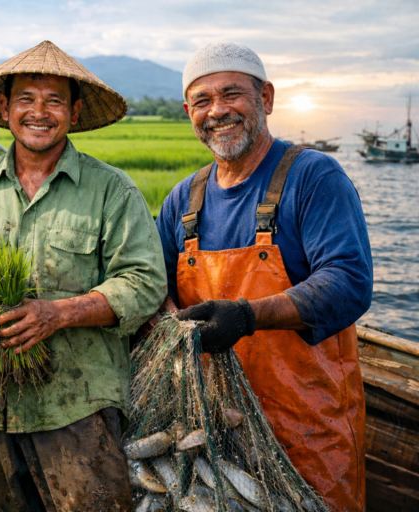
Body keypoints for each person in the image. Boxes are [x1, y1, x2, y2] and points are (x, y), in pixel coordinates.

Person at [0, 41, 167, 511]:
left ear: (75, 111)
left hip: (80, 411)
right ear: (5, 109)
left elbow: (144, 281)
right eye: (26, 99)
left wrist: (58, 313)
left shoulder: (111, 190)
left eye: (55, 101)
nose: (39, 112)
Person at [155, 42, 371, 512]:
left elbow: (348, 280)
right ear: (189, 111)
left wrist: (248, 316)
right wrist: (168, 322)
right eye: (202, 101)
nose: (217, 111)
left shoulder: (312, 176)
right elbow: (152, 283)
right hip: (214, 429)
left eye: (231, 94)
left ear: (266, 98)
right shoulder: (182, 200)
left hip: (306, 431)